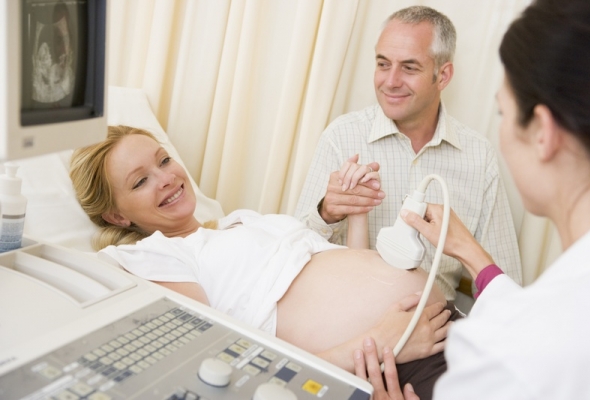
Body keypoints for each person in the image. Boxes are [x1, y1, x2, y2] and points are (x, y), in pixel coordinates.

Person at [69, 125, 461, 398]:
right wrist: (376, 347)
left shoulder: (240, 221)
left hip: (446, 330)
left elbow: (335, 271)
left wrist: (358, 208)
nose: (167, 178)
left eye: (164, 161)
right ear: (117, 217)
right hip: (394, 371)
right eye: (140, 181)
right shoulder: (151, 257)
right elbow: (217, 366)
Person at [354, 0, 590, 398]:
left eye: (503, 113)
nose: (391, 79)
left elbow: (523, 335)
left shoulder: (497, 356)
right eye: (383, 63)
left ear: (543, 132)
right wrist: (467, 249)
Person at [294, 5, 522, 301]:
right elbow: (293, 252)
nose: (390, 81)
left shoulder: (479, 158)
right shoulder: (341, 137)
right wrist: (327, 213)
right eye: (383, 64)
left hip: (431, 329)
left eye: (410, 67)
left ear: (443, 76)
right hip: (346, 315)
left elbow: (505, 282)